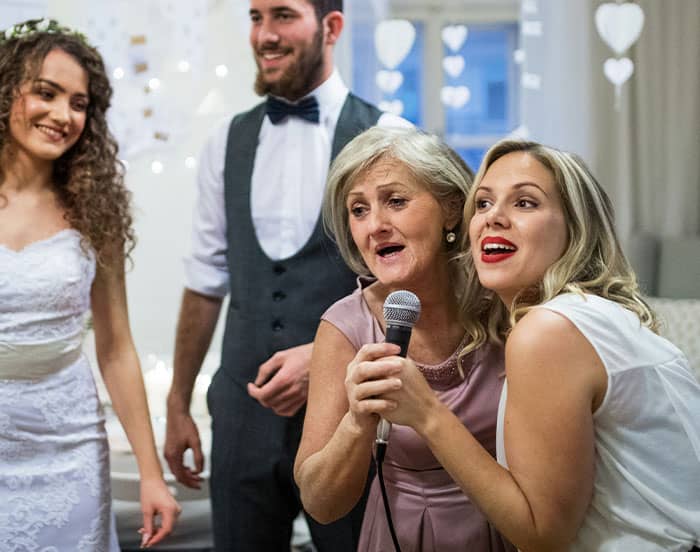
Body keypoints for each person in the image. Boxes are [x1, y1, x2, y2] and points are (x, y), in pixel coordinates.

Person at [345, 139, 700, 551]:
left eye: (525, 203)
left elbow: (540, 534)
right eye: (482, 203)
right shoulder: (590, 316)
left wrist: (427, 413)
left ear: (576, 228)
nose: (493, 217)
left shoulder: (548, 332)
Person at [163, 1, 409, 549]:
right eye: (255, 18)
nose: (265, 35)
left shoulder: (390, 138)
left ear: (332, 27)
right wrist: (178, 402)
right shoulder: (225, 141)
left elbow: (419, 284)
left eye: (283, 15)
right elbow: (205, 281)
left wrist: (324, 358)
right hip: (240, 414)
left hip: (350, 417)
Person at [0, 18, 180, 551]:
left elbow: (117, 347)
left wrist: (151, 473)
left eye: (78, 103)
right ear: (7, 91)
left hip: (69, 444)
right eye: (46, 93)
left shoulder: (96, 210)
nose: (62, 115)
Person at [294, 126, 515, 551]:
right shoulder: (343, 327)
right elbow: (321, 505)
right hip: (402, 535)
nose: (375, 226)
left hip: (513, 528)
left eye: (395, 201)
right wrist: (357, 422)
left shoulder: (505, 300)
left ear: (452, 208)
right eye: (358, 210)